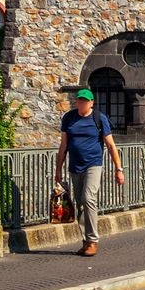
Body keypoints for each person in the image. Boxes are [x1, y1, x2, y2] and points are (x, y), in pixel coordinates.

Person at [55, 87, 125, 256]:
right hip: (75, 166)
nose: (81, 104)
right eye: (79, 101)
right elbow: (63, 145)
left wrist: (119, 169)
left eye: (84, 101)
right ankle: (86, 241)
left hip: (93, 164)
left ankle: (93, 240)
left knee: (88, 198)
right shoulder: (69, 118)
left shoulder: (99, 118)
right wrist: (58, 169)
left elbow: (110, 145)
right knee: (79, 203)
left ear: (91, 103)